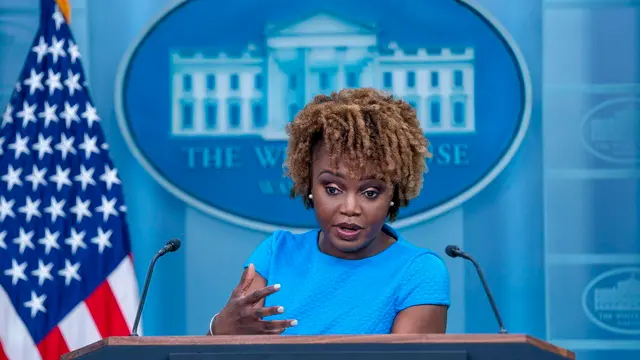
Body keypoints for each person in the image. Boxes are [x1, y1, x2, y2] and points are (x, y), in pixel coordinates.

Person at [207, 88, 450, 336]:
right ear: (309, 182)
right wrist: (220, 328)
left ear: (393, 195)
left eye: (370, 193)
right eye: (333, 189)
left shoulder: (419, 272)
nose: (350, 208)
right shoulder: (275, 253)